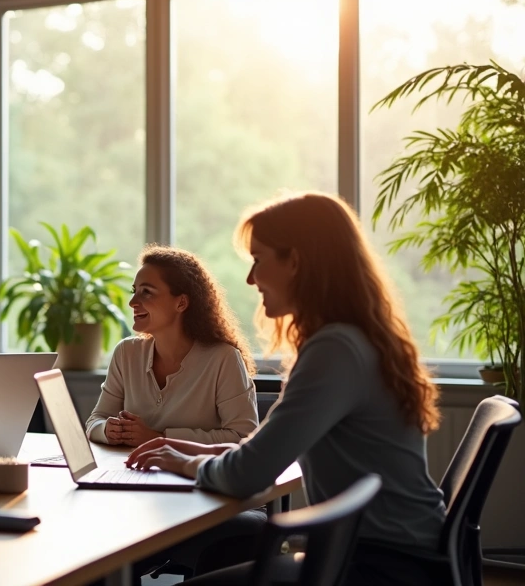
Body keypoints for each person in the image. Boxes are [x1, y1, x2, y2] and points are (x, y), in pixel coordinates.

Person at [127, 192, 448, 586]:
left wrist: (183, 463)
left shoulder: (335, 350)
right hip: (392, 549)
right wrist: (202, 450)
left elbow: (248, 475)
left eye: (258, 260)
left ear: (294, 261)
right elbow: (264, 451)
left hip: (382, 565)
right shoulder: (356, 339)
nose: (250, 278)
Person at [86, 246, 258, 448]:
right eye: (135, 291)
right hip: (131, 472)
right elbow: (95, 421)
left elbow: (243, 437)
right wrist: (107, 429)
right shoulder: (126, 352)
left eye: (147, 292)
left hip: (193, 476)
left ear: (181, 303)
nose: (133, 302)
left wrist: (160, 438)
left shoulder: (224, 358)